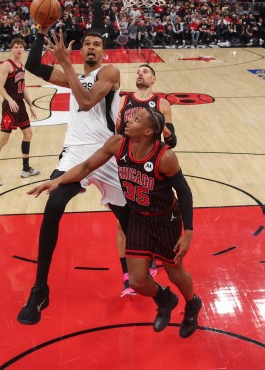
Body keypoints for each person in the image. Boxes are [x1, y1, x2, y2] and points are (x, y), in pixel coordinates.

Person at [29, 107, 201, 338]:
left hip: (166, 222)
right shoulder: (118, 144)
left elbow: (185, 192)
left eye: (137, 119)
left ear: (148, 131)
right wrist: (57, 181)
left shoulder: (165, 156)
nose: (130, 119)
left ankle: (192, 305)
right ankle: (165, 299)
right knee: (138, 281)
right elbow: (87, 167)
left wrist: (188, 231)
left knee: (175, 273)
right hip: (139, 218)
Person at [17, 27, 130, 325]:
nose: (92, 47)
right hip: (76, 152)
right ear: (80, 51)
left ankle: (142, 272)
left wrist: (65, 64)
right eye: (87, 44)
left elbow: (86, 101)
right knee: (53, 206)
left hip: (106, 154)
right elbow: (33, 67)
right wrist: (39, 33)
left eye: (97, 44)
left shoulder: (110, 72)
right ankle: (40, 289)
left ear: (103, 52)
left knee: (129, 220)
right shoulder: (73, 75)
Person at [115, 64, 177, 296]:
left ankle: (149, 257)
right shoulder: (123, 100)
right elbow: (117, 133)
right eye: (138, 71)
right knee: (122, 222)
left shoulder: (162, 104)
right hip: (126, 165)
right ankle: (127, 277)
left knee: (149, 217)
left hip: (151, 169)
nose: (140, 74)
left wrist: (169, 134)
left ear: (154, 79)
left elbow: (171, 140)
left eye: (145, 71)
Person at [0, 37, 40, 186]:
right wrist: (9, 99)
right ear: (11, 49)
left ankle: (26, 168)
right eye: (16, 47)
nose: (19, 49)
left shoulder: (21, 65)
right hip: (10, 106)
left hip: (20, 105)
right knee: (3, 139)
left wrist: (30, 104)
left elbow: (23, 86)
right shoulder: (7, 65)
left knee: (28, 134)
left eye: (21, 46)